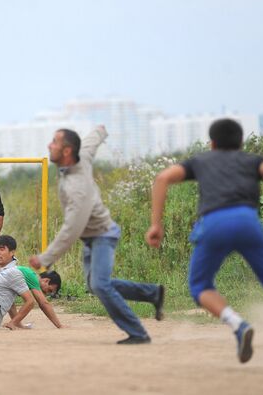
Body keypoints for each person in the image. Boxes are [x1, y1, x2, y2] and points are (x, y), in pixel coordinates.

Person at [145, 118, 263, 374]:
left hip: (214, 223)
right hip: (248, 222)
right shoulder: (251, 161)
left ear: (212, 143)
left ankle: (238, 324)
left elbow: (162, 178)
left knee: (200, 286)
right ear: (241, 143)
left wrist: (156, 225)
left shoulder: (201, 161)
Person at [29, 125, 164, 344]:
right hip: (92, 237)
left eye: (54, 141)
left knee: (100, 285)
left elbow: (71, 229)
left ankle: (137, 332)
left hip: (103, 235)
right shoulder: (80, 158)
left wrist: (45, 259)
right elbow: (90, 143)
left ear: (66, 151)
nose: (49, 145)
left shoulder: (76, 188)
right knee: (95, 285)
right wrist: (100, 131)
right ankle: (152, 294)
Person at [0, 267, 64, 329]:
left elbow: (10, 304)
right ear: (46, 281)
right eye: (49, 290)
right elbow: (43, 303)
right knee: (30, 301)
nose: (47, 293)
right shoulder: (32, 276)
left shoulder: (23, 278)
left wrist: (17, 324)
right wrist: (60, 325)